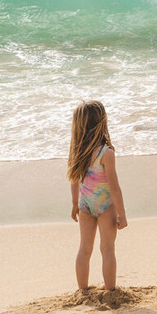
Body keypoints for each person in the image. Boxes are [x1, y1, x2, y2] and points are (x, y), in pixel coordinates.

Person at [67, 100, 128, 291]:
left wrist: (75, 203)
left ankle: (82, 290)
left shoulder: (77, 152)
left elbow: (74, 179)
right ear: (102, 123)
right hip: (105, 206)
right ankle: (110, 291)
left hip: (85, 204)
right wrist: (122, 214)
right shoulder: (106, 153)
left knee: (85, 249)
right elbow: (114, 187)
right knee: (107, 249)